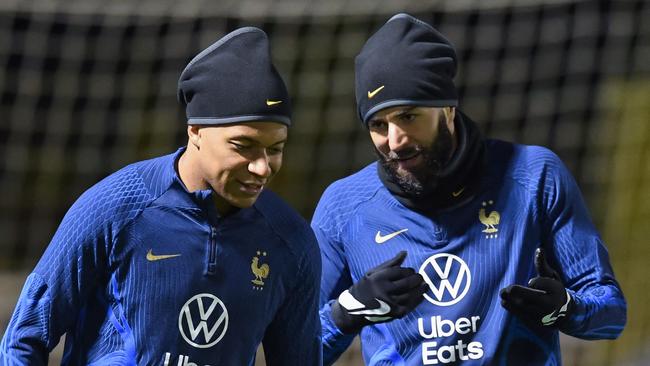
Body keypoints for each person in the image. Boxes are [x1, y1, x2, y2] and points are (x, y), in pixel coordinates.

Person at [316, 13, 626, 365]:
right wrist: (347, 312)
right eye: (378, 124)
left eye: (408, 116)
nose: (394, 141)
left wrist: (566, 309)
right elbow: (294, 349)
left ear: (447, 109)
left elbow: (611, 315)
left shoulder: (533, 177)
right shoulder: (344, 208)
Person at [0, 27, 322, 365]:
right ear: (195, 130)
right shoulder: (115, 207)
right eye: (243, 146)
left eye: (275, 149)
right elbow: (23, 340)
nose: (262, 167)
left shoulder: (292, 242)